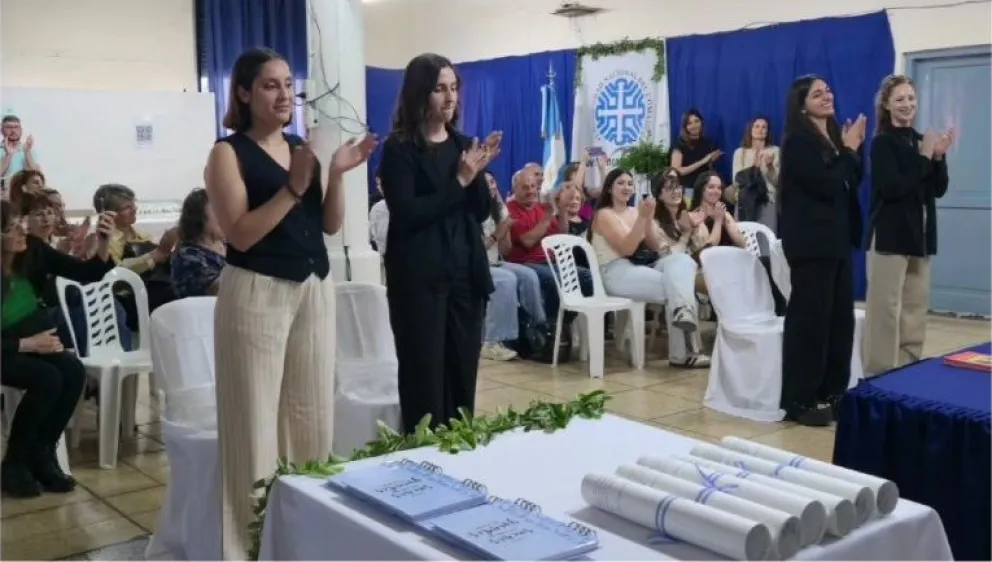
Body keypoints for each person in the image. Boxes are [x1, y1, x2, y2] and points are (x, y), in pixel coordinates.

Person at [204, 47, 375, 560]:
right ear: (243, 93)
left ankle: (301, 535)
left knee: (309, 417)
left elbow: (328, 226)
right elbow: (240, 234)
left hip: (312, 288)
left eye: (287, 85)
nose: (284, 95)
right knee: (253, 424)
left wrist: (338, 173)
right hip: (256, 290)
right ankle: (248, 547)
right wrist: (292, 188)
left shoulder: (301, 146)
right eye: (270, 85)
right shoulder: (227, 153)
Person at [379, 53, 501, 433]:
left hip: (465, 273)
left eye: (454, 88)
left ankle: (459, 453)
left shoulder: (463, 144)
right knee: (425, 379)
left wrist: (478, 175)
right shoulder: (400, 150)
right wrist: (461, 180)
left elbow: (480, 211)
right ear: (419, 93)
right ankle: (422, 459)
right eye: (439, 89)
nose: (450, 98)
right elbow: (410, 214)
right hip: (419, 280)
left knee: (461, 374)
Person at [1, 200, 116, 497]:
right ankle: (14, 463)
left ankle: (41, 455)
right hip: (8, 346)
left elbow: (86, 273)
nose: (21, 231)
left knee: (73, 371)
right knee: (47, 378)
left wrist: (102, 244)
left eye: (20, 224)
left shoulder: (34, 251)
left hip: (31, 341)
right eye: (11, 228)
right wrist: (26, 343)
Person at [779, 75, 867, 426]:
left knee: (838, 323)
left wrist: (851, 150)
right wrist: (847, 151)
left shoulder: (831, 136)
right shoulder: (798, 142)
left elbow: (851, 181)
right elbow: (826, 184)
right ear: (802, 105)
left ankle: (831, 392)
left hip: (837, 241)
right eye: (818, 93)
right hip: (812, 244)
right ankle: (799, 400)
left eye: (829, 90)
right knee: (811, 324)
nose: (827, 96)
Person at [863, 75, 953, 375]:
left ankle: (907, 371)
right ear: (887, 104)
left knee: (914, 310)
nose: (907, 104)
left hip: (921, 237)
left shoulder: (919, 141)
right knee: (885, 312)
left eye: (911, 98)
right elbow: (893, 188)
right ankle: (878, 375)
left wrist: (938, 158)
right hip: (890, 235)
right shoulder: (882, 143)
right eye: (899, 99)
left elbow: (937, 189)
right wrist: (926, 157)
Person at [591, 168, 710, 368]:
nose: (626, 187)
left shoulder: (635, 211)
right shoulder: (604, 215)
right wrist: (642, 218)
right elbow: (627, 249)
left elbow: (658, 247)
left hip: (638, 267)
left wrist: (648, 220)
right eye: (620, 183)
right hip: (614, 271)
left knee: (681, 261)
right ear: (609, 188)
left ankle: (683, 324)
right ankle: (686, 353)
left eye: (630, 183)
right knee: (680, 288)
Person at [171, 188, 227, 298]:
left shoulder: (229, 244)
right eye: (218, 209)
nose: (226, 215)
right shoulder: (187, 255)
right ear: (198, 217)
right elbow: (219, 289)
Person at [732, 116, 781, 230]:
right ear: (750, 129)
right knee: (744, 241)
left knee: (766, 242)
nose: (760, 129)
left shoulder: (775, 151)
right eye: (757, 126)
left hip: (767, 201)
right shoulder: (740, 152)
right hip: (745, 203)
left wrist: (770, 167)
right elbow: (736, 180)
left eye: (764, 127)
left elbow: (778, 182)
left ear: (768, 132)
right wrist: (755, 168)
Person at [670, 109, 721, 195]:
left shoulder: (710, 143)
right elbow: (677, 171)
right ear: (685, 127)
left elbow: (709, 168)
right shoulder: (679, 144)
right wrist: (704, 160)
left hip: (705, 187)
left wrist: (711, 160)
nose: (694, 125)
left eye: (696, 121)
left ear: (701, 122)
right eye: (689, 123)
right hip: (687, 188)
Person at [1, 115, 40, 182]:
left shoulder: (29, 150)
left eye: (16, 127)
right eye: (8, 127)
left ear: (21, 130)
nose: (13, 130)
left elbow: (36, 176)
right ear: (1, 130)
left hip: (24, 190)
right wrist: (8, 155)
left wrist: (27, 152)